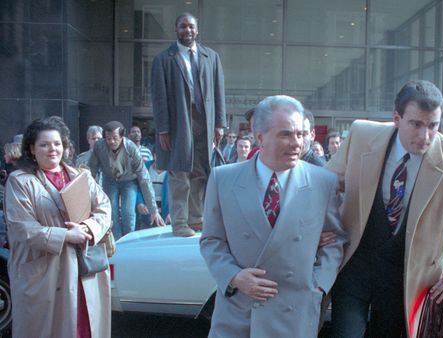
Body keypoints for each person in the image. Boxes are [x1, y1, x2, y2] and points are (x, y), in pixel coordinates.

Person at [326, 80, 443, 337]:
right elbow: (325, 186)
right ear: (397, 118)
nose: (425, 135)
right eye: (416, 124)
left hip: (408, 277)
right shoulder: (362, 135)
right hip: (354, 265)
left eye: (433, 126)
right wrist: (316, 228)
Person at [200, 95, 346, 337]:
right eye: (286, 134)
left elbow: (335, 241)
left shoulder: (323, 182)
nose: (296, 143)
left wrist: (317, 285)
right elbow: (211, 241)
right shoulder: (222, 179)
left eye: (300, 134)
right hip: (238, 313)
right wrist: (234, 277)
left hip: (294, 313)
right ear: (260, 137)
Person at [4, 116, 111, 337]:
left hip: (83, 270)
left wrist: (88, 227)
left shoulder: (82, 175)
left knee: (86, 327)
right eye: (44, 144)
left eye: (57, 143)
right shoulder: (19, 181)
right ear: (32, 149)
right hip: (45, 273)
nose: (52, 149)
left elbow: (104, 207)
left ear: (65, 146)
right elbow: (23, 228)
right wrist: (65, 235)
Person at [151, 12, 226, 237]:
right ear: (176, 30)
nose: (188, 30)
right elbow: (159, 97)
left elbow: (219, 92)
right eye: (183, 26)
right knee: (180, 174)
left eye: (191, 27)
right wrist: (163, 128)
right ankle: (180, 223)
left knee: (200, 173)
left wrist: (219, 124)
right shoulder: (164, 59)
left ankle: (196, 219)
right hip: (177, 125)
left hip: (204, 122)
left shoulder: (210, 57)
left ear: (197, 29)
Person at [88, 121, 164, 240]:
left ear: (122, 137)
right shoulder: (99, 146)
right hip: (109, 179)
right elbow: (91, 169)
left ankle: (129, 240)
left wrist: (153, 210)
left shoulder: (132, 149)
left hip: (129, 181)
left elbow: (144, 179)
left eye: (115, 138)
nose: (111, 141)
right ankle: (116, 242)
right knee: (111, 212)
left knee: (128, 213)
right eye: (108, 138)